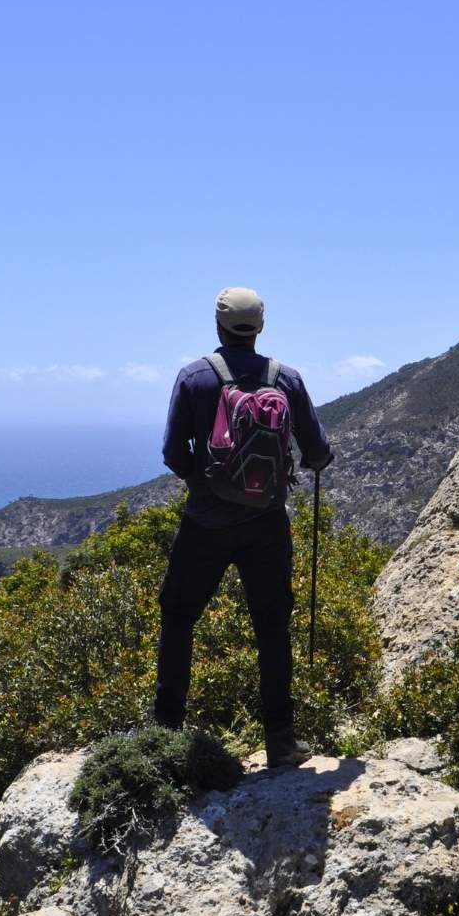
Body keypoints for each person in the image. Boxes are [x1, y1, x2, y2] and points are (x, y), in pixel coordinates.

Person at [154, 285, 332, 767]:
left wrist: (207, 484)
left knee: (178, 614)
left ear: (218, 325)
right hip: (267, 525)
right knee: (272, 627)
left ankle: (166, 735)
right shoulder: (285, 379)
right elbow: (315, 454)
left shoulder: (194, 378)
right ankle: (281, 741)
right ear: (260, 327)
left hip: (206, 523)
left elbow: (173, 453)